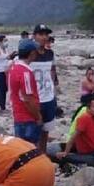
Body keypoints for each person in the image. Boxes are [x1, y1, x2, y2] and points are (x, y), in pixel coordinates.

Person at [30, 24, 59, 153]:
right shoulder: (29, 54)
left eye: (46, 34)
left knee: (46, 130)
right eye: (41, 34)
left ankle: (43, 154)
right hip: (35, 98)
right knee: (34, 129)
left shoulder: (50, 53)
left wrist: (53, 88)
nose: (44, 37)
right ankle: (32, 157)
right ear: (34, 36)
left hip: (48, 97)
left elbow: (52, 70)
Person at [8, 40, 42, 145]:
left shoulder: (13, 68)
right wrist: (38, 117)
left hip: (18, 116)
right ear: (31, 53)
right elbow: (27, 99)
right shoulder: (26, 73)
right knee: (30, 150)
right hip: (27, 119)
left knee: (21, 150)